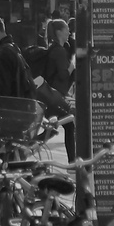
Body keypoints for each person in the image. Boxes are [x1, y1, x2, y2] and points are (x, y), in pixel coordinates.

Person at [37, 18, 76, 161]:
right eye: (66, 29)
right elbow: (64, 74)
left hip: (51, 94)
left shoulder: (55, 48)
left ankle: (29, 146)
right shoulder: (59, 51)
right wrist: (73, 63)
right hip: (54, 95)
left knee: (53, 128)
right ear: (59, 32)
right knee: (68, 125)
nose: (69, 32)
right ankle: (72, 160)